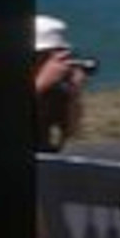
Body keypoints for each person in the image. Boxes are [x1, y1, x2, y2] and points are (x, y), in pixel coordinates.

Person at [34, 15, 91, 152]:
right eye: (46, 55)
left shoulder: (55, 89)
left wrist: (74, 92)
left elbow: (71, 132)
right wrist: (41, 82)